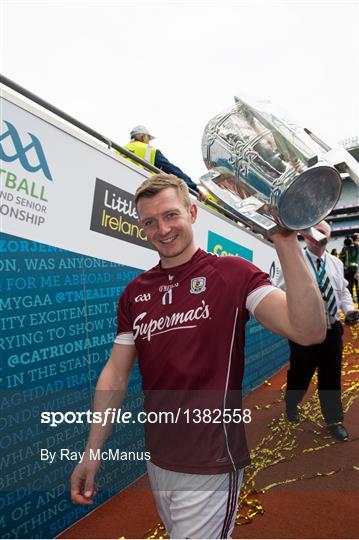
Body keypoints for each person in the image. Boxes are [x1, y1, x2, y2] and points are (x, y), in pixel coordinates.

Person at [71, 173, 326, 538]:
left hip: (212, 462)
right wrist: (91, 450)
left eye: (171, 215)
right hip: (159, 460)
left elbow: (309, 330)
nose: (162, 229)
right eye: (149, 222)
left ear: (192, 212)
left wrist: (285, 239)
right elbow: (115, 373)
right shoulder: (134, 293)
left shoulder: (233, 273)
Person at [276, 221, 358, 441]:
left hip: (332, 330)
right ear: (305, 234)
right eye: (312, 232)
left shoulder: (336, 263)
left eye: (322, 232)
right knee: (300, 376)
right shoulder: (294, 260)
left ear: (329, 237)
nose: (316, 236)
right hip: (304, 332)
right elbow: (280, 291)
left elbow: (343, 293)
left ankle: (334, 420)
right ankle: (292, 404)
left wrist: (349, 310)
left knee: (331, 377)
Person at [123, 125, 200, 195]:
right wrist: (195, 189)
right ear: (143, 137)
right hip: (142, 190)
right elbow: (172, 169)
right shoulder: (149, 150)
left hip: (121, 186)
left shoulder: (121, 149)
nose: (149, 141)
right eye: (148, 138)